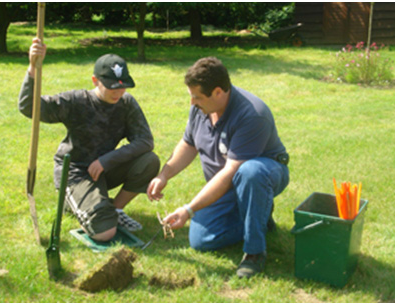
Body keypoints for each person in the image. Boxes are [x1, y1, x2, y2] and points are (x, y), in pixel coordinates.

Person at [147, 57, 289, 278]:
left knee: (250, 173)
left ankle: (254, 253)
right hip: (226, 183)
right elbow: (188, 144)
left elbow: (231, 172)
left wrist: (189, 209)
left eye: (197, 97)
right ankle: (259, 215)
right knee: (201, 240)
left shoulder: (252, 115)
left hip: (263, 175)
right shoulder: (201, 108)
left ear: (219, 92)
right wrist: (164, 175)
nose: (192, 103)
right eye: (191, 96)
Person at [19, 38, 160, 242]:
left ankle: (114, 209)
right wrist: (33, 66)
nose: (119, 92)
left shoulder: (126, 103)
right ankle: (80, 203)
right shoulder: (76, 101)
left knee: (149, 161)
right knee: (105, 232)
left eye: (123, 86)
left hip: (103, 169)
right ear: (95, 81)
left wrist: (106, 161)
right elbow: (28, 106)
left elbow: (145, 141)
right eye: (112, 86)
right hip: (74, 172)